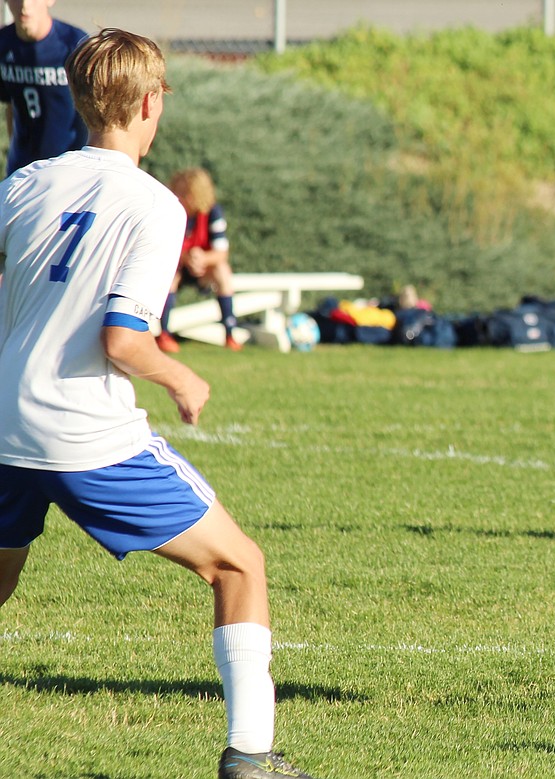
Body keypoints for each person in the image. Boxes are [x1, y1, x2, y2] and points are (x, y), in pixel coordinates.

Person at [0, 29, 318, 778]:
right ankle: (251, 755)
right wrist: (182, 378)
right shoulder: (154, 205)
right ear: (151, 103)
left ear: (79, 102)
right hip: (83, 435)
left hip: (6, 422)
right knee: (240, 565)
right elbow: (122, 337)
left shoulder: (22, 185)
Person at [156, 166, 242, 353]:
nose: (178, 196)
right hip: (178, 265)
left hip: (203, 267)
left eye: (183, 193)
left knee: (222, 271)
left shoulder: (212, 212)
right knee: (169, 275)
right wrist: (186, 257)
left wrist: (202, 258)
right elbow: (162, 247)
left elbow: (221, 252)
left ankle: (230, 333)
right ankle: (164, 334)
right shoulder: (170, 211)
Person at [0, 0, 89, 175]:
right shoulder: (3, 44)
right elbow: (10, 104)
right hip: (23, 168)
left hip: (70, 167)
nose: (25, 6)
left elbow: (94, 109)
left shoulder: (75, 44)